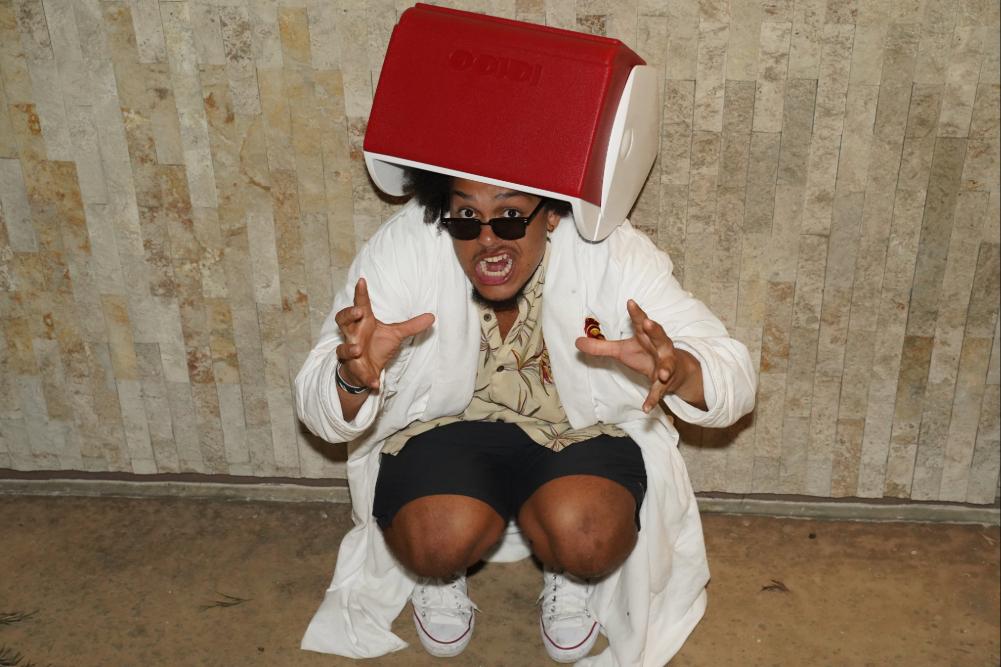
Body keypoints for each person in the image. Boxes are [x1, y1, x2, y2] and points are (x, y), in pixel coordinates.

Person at [294, 168, 757, 665]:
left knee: (588, 537)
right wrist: (352, 377)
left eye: (511, 216)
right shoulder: (408, 244)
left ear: (552, 214)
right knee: (434, 542)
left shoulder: (612, 250)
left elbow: (734, 375)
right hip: (446, 431)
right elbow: (316, 400)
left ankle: (569, 569)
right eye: (466, 216)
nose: (487, 240)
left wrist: (681, 370)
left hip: (577, 432)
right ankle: (441, 573)